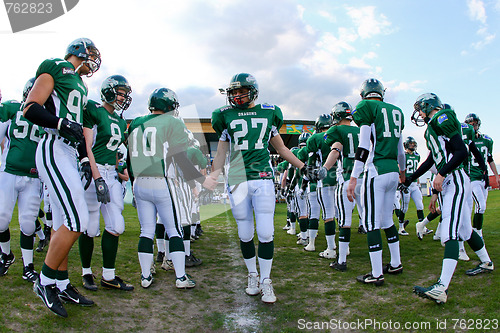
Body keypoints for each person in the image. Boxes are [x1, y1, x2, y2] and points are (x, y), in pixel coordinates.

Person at [210, 73, 312, 304]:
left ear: (253, 90)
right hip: (237, 179)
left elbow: (283, 150)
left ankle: (266, 280)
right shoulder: (224, 116)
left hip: (263, 176)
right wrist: (211, 178)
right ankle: (252, 275)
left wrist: (303, 167)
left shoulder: (269, 112)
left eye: (241, 90)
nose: (237, 95)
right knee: (245, 233)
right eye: (233, 91)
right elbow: (221, 153)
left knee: (266, 232)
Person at [23, 38, 101, 317]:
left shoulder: (82, 84)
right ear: (78, 51)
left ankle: (62, 282)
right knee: (77, 219)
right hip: (53, 146)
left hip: (69, 151)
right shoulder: (55, 66)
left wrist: (83, 159)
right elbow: (31, 107)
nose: (93, 59)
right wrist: (60, 123)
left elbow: (78, 129)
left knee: (61, 223)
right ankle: (44, 282)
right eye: (90, 53)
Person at [128, 88, 217, 289]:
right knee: (174, 230)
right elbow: (180, 158)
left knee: (146, 231)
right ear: (169, 106)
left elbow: (128, 157)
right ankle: (180, 277)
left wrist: (133, 183)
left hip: (139, 182)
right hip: (162, 182)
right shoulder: (173, 122)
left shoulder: (135, 122)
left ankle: (145, 277)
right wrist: (202, 181)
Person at [409, 93, 493, 304]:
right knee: (465, 229)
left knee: (450, 231)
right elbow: (432, 160)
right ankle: (486, 262)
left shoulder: (442, 116)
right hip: (450, 180)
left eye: (420, 108)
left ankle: (442, 287)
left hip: (454, 180)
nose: (418, 113)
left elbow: (461, 151)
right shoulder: (433, 127)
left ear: (429, 106)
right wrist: (410, 178)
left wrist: (443, 173)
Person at [346, 78, 405, 286]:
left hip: (376, 170)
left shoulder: (366, 107)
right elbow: (400, 151)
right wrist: (403, 172)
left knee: (371, 222)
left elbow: (363, 147)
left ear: (363, 95)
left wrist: (354, 177)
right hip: (392, 171)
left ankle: (377, 273)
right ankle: (396, 263)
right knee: (387, 220)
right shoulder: (396, 111)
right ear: (381, 93)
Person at [79, 75, 134, 292]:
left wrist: (121, 169)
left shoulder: (121, 121)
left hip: (111, 174)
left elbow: (116, 152)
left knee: (116, 225)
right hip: (94, 170)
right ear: (108, 91)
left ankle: (108, 276)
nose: (122, 97)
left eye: (124, 94)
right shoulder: (94, 110)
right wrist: (96, 176)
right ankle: (86, 272)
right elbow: (87, 146)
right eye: (119, 92)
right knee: (90, 227)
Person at [0, 78, 42, 282]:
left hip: (33, 178)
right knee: (0, 219)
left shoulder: (46, 116)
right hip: (8, 172)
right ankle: (6, 255)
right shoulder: (11, 108)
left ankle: (28, 267)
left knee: (28, 224)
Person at [323, 102, 362, 270]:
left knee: (345, 220)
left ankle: (342, 260)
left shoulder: (336, 130)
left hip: (347, 177)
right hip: (365, 177)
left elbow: (336, 150)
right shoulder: (362, 130)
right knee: (369, 220)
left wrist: (325, 168)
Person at [305, 113, 337, 254]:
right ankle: (344, 246)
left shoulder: (314, 138)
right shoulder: (337, 133)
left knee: (325, 213)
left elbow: (311, 164)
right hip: (340, 176)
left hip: (323, 179)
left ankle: (320, 245)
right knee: (341, 214)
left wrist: (309, 179)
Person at [464, 113, 499, 239]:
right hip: (471, 178)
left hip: (483, 177)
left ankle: (476, 231)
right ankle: (476, 233)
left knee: (481, 207)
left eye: (475, 123)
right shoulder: (466, 140)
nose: (473, 126)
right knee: (480, 205)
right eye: (470, 124)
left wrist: (495, 175)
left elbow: (490, 159)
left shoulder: (486, 140)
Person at [397, 136, 426, 235]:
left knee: (420, 205)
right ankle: (401, 228)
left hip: (414, 184)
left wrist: (417, 182)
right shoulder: (403, 155)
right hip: (406, 184)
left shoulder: (417, 156)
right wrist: (401, 182)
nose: (413, 145)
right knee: (404, 207)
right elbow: (399, 168)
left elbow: (416, 170)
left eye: (414, 143)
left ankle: (422, 226)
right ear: (406, 145)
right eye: (410, 143)